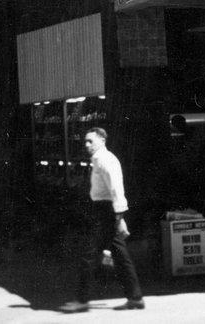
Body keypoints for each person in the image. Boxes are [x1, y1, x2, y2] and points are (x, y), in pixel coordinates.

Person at [60, 128, 145, 313]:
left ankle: (81, 300)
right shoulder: (99, 160)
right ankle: (135, 297)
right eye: (85, 141)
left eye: (91, 141)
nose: (87, 145)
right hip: (106, 211)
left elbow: (116, 190)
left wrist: (120, 218)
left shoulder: (104, 160)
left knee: (88, 255)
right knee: (121, 256)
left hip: (105, 212)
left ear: (102, 140)